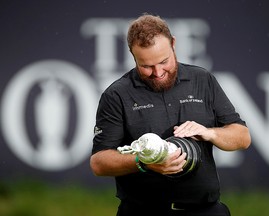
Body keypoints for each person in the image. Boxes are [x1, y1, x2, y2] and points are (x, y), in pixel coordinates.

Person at [90, 13, 251, 216]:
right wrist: (144, 162)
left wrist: (209, 133)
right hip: (143, 211)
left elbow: (243, 138)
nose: (158, 72)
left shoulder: (202, 80)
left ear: (173, 44)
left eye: (164, 61)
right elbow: (99, 163)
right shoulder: (117, 94)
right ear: (133, 55)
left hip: (205, 210)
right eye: (146, 66)